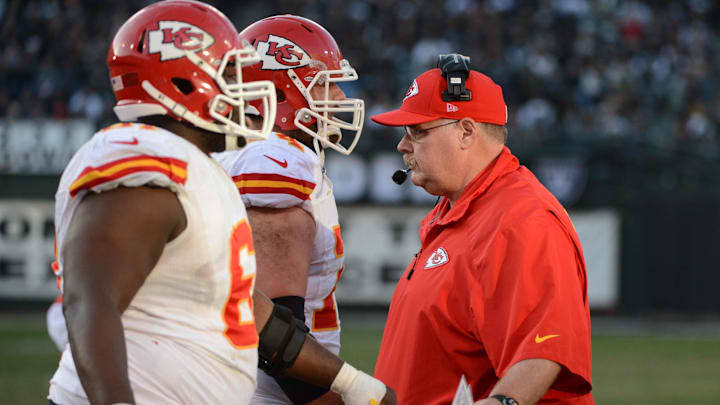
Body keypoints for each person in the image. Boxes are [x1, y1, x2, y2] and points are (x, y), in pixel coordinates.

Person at [47, 2, 395, 405]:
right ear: (180, 84)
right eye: (231, 74)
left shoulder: (199, 172)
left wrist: (352, 385)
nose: (244, 91)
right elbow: (90, 300)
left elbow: (256, 315)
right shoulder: (146, 160)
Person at [370, 54, 594, 405]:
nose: (403, 145)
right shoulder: (461, 208)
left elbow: (545, 349)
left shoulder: (521, 220)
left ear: (466, 132)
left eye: (417, 131)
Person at [213, 14, 365, 405]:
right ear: (282, 92)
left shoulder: (250, 152)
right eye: (327, 85)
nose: (342, 100)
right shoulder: (275, 159)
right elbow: (274, 333)